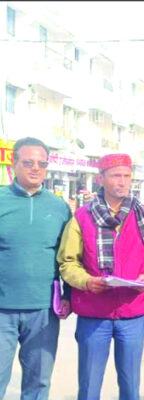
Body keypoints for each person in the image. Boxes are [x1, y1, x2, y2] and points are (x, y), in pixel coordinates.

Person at [58, 153, 144, 400]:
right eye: (116, 176)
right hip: (93, 313)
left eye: (127, 176)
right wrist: (86, 281)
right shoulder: (82, 217)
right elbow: (68, 262)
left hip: (132, 312)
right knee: (89, 386)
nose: (122, 181)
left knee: (130, 385)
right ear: (100, 179)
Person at [0, 137, 72, 400]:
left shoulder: (59, 207)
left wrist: (69, 295)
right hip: (2, 309)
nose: (35, 169)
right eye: (28, 162)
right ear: (14, 163)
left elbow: (69, 257)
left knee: (39, 383)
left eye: (42, 164)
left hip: (43, 310)